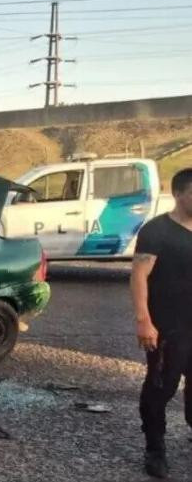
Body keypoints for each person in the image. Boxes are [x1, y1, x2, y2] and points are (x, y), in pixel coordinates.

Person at [130, 168, 192, 479]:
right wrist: (144, 320)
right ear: (178, 194)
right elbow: (139, 275)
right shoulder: (157, 231)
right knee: (160, 388)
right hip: (169, 329)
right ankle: (155, 449)